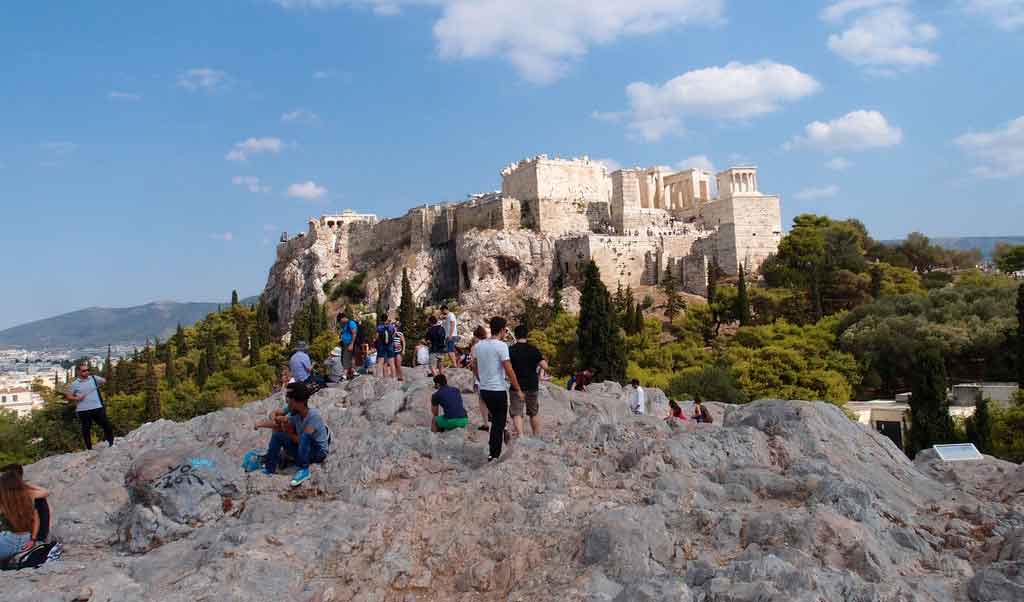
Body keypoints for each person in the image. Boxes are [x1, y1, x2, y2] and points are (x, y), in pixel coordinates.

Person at [471, 316, 523, 462]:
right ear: (501, 330)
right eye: (505, 330)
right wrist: (518, 389)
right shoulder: (501, 346)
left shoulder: (479, 345)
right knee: (499, 423)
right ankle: (494, 454)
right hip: (497, 390)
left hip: (485, 390)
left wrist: (480, 378)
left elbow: (473, 365)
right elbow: (509, 369)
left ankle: (495, 448)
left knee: (496, 421)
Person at [263, 382, 330, 487]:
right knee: (277, 436)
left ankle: (304, 469)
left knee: (305, 436)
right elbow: (280, 422)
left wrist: (288, 432)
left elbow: (301, 440)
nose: (287, 402)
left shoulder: (313, 416)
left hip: (318, 452)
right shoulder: (296, 416)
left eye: (289, 399)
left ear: (297, 401)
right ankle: (269, 468)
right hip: (303, 450)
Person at [0, 465, 50, 563]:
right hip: (26, 539)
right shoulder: (29, 496)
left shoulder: (3, 498)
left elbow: (46, 492)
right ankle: (39, 540)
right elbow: (36, 518)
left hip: (8, 539)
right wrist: (33, 539)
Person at [508, 325, 548, 437]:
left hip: (516, 386)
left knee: (517, 412)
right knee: (533, 412)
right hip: (532, 385)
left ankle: (521, 436)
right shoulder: (533, 349)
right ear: (527, 335)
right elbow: (545, 366)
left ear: (516, 335)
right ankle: (536, 435)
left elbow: (507, 367)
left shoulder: (511, 350)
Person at [64, 362, 114, 450]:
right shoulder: (74, 384)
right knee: (86, 429)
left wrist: (104, 380)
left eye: (87, 370)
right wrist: (77, 398)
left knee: (106, 424)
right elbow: (68, 396)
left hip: (98, 407)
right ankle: (89, 448)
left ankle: (111, 443)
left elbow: (104, 380)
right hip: (83, 410)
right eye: (84, 371)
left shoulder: (94, 378)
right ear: (78, 372)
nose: (87, 372)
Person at [469, 325, 490, 431]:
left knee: (482, 400)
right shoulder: (491, 345)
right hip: (492, 375)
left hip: (480, 376)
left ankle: (486, 423)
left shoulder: (475, 347)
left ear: (477, 336)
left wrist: (476, 378)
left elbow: (473, 364)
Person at [338, 311, 359, 380]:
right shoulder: (346, 324)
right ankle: (353, 372)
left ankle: (344, 375)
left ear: (343, 318)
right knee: (349, 358)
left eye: (340, 320)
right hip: (347, 344)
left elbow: (354, 333)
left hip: (349, 344)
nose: (340, 322)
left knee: (345, 359)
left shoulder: (351, 323)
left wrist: (351, 344)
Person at [441, 304, 459, 369]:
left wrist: (450, 335)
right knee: (450, 350)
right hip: (448, 335)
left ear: (445, 309)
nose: (442, 313)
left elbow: (453, 324)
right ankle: (454, 364)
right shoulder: (448, 316)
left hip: (451, 335)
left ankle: (454, 364)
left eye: (442, 311)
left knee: (450, 350)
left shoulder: (451, 315)